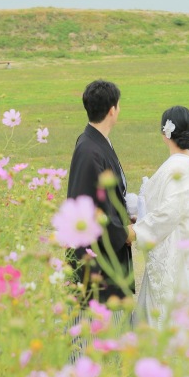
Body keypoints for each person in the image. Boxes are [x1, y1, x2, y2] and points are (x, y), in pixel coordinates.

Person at [127, 106, 189, 334]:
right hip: (188, 253)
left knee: (164, 312)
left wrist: (137, 230)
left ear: (165, 133)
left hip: (171, 252)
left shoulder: (174, 168)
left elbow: (167, 213)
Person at [66, 79, 134, 306]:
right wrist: (123, 232)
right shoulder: (89, 149)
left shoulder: (95, 143)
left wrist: (125, 217)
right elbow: (92, 207)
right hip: (95, 260)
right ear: (112, 110)